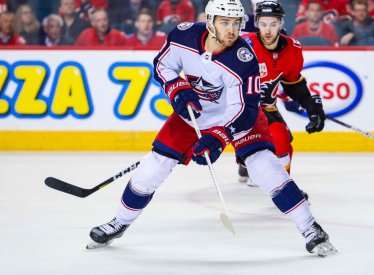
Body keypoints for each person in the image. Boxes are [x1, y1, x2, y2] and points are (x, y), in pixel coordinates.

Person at [86, 0, 337, 257]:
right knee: (153, 167)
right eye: (225, 22)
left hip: (238, 116)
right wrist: (176, 88)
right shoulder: (183, 35)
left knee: (264, 166)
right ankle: (119, 222)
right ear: (209, 21)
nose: (232, 30)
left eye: (236, 24)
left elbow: (246, 109)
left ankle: (310, 228)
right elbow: (163, 65)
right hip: (195, 113)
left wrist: (219, 136)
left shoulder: (244, 58)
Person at [238, 1, 326, 191]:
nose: (268, 30)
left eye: (273, 24)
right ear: (257, 23)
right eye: (263, 24)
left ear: (281, 23)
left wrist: (310, 105)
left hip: (266, 108)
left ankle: (283, 188)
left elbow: (293, 84)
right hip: (238, 108)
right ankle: (249, 161)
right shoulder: (244, 46)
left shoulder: (292, 49)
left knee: (282, 142)